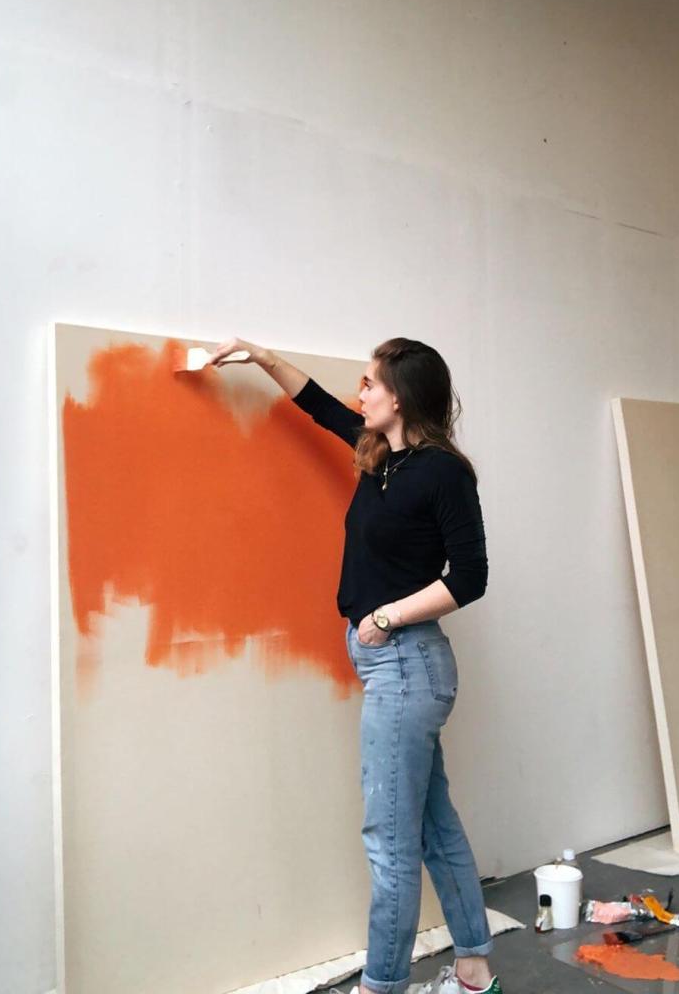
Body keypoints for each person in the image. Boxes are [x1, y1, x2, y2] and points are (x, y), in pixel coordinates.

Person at [210, 337, 501, 994]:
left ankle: (380, 985)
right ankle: (476, 973)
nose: (360, 393)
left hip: (408, 665)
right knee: (432, 825)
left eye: (370, 383)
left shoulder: (443, 473)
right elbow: (315, 404)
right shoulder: (379, 456)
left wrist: (387, 616)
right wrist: (258, 357)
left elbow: (471, 576)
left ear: (400, 396)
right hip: (391, 667)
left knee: (389, 840)